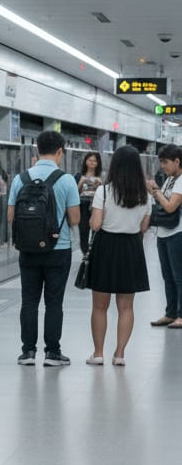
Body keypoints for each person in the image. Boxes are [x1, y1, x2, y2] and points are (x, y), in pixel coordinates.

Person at [6, 130, 80, 367]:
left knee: (29, 301)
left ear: (37, 150)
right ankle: (52, 353)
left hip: (27, 249)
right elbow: (75, 218)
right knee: (53, 302)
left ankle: (27, 352)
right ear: (60, 152)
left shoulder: (20, 179)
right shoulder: (66, 180)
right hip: (59, 248)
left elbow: (10, 216)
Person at [86, 144, 151, 366]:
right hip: (131, 248)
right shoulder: (145, 195)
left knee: (99, 306)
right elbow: (143, 227)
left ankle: (98, 353)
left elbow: (95, 225)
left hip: (106, 247)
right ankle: (120, 354)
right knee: (126, 307)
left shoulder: (103, 191)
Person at [146, 144, 182, 329]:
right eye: (161, 162)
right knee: (167, 275)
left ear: (177, 161)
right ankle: (170, 313)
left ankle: (181, 315)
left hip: (178, 233)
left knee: (179, 276)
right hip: (164, 232)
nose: (163, 166)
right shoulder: (170, 179)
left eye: (165, 162)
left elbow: (170, 207)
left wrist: (156, 191)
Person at [77, 151, 103, 256]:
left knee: (96, 230)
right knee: (83, 230)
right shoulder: (79, 175)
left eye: (95, 161)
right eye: (90, 160)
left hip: (95, 206)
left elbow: (103, 193)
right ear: (85, 161)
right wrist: (81, 182)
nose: (92, 163)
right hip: (82, 206)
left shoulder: (100, 177)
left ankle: (93, 252)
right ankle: (85, 253)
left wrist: (100, 184)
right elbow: (74, 193)